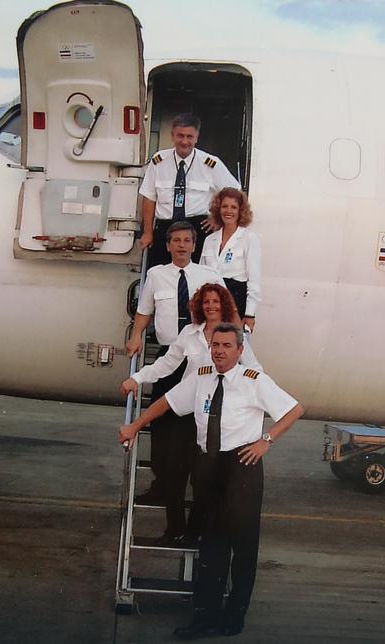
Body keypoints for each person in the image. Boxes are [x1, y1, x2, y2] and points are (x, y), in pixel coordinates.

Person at [119, 323, 304, 638]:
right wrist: (135, 426)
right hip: (209, 466)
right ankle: (205, 617)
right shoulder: (202, 377)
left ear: (240, 350)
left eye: (227, 346)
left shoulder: (253, 381)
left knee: (243, 547)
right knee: (211, 546)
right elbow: (168, 402)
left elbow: (294, 409)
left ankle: (234, 617)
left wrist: (265, 441)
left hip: (241, 466)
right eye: (215, 345)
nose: (219, 351)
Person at [121, 284, 262, 544]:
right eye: (206, 301)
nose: (211, 306)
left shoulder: (234, 335)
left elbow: (255, 370)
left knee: (203, 479)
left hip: (214, 417)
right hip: (187, 410)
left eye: (216, 301)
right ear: (199, 305)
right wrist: (137, 378)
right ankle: (174, 529)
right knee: (173, 474)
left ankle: (195, 533)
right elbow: (166, 364)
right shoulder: (189, 332)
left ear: (224, 305)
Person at [126, 221, 225, 513]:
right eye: (176, 240)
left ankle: (197, 486)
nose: (182, 245)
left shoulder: (209, 275)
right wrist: (136, 336)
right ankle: (162, 485)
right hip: (171, 355)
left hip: (199, 355)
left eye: (187, 241)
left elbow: (224, 310)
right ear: (168, 245)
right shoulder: (156, 275)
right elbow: (144, 311)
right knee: (162, 424)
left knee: (196, 423)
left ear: (194, 246)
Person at [139, 113, 240, 266]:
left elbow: (235, 193)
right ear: (172, 136)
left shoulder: (209, 164)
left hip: (197, 229)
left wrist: (217, 217)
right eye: (180, 136)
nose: (185, 141)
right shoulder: (158, 161)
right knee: (160, 275)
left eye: (190, 137)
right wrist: (148, 232)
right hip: (165, 229)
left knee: (198, 276)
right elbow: (149, 198)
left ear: (197, 137)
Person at [200, 187, 262, 332]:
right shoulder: (209, 240)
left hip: (236, 300)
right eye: (224, 206)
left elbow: (254, 280)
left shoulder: (249, 239)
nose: (228, 211)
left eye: (233, 207)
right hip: (210, 303)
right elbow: (201, 275)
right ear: (218, 209)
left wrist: (249, 314)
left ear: (241, 211)